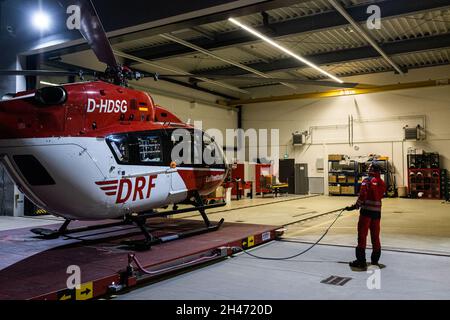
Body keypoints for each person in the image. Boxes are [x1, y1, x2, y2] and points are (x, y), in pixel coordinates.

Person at [346, 162, 386, 269]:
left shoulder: (366, 181)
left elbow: (363, 195)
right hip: (377, 213)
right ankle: (375, 260)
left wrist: (355, 206)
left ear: (373, 169)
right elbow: (381, 195)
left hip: (366, 212)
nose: (368, 169)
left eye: (369, 167)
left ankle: (361, 261)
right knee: (375, 236)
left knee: (362, 236)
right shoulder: (381, 182)